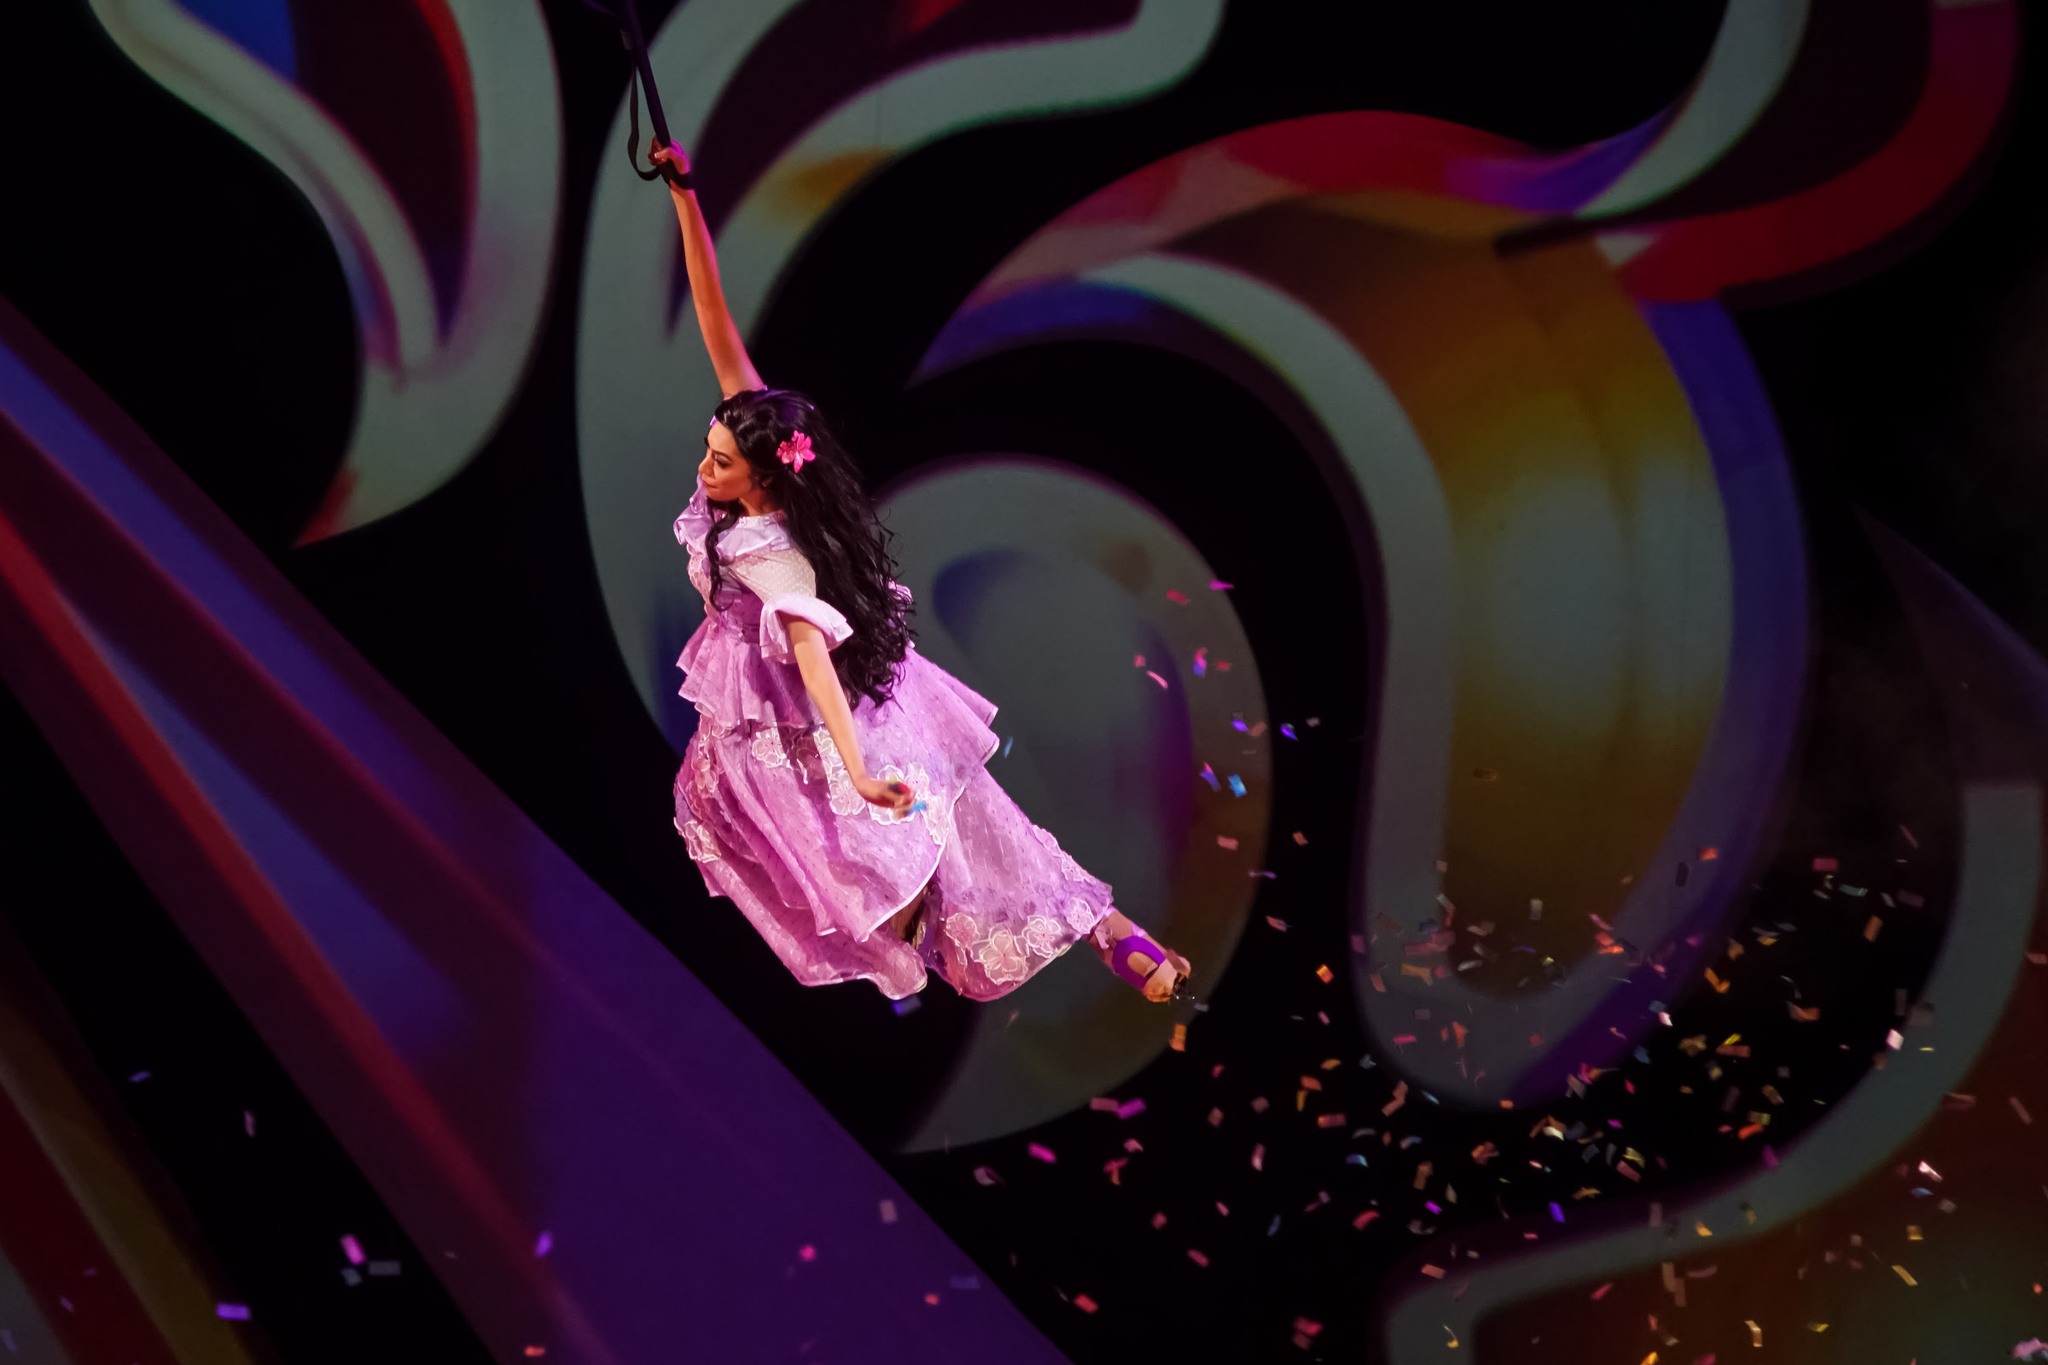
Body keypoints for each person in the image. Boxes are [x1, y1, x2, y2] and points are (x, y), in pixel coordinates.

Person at [651, 138, 1192, 1004]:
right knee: (977, 812)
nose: (704, 468)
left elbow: (810, 655)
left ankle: (946, 916)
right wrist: (685, 198)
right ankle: (1114, 933)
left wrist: (858, 771)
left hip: (812, 721)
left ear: (764, 478)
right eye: (710, 450)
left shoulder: (765, 552)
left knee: (777, 819)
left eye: (720, 462)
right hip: (875, 693)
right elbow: (717, 323)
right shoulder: (765, 457)